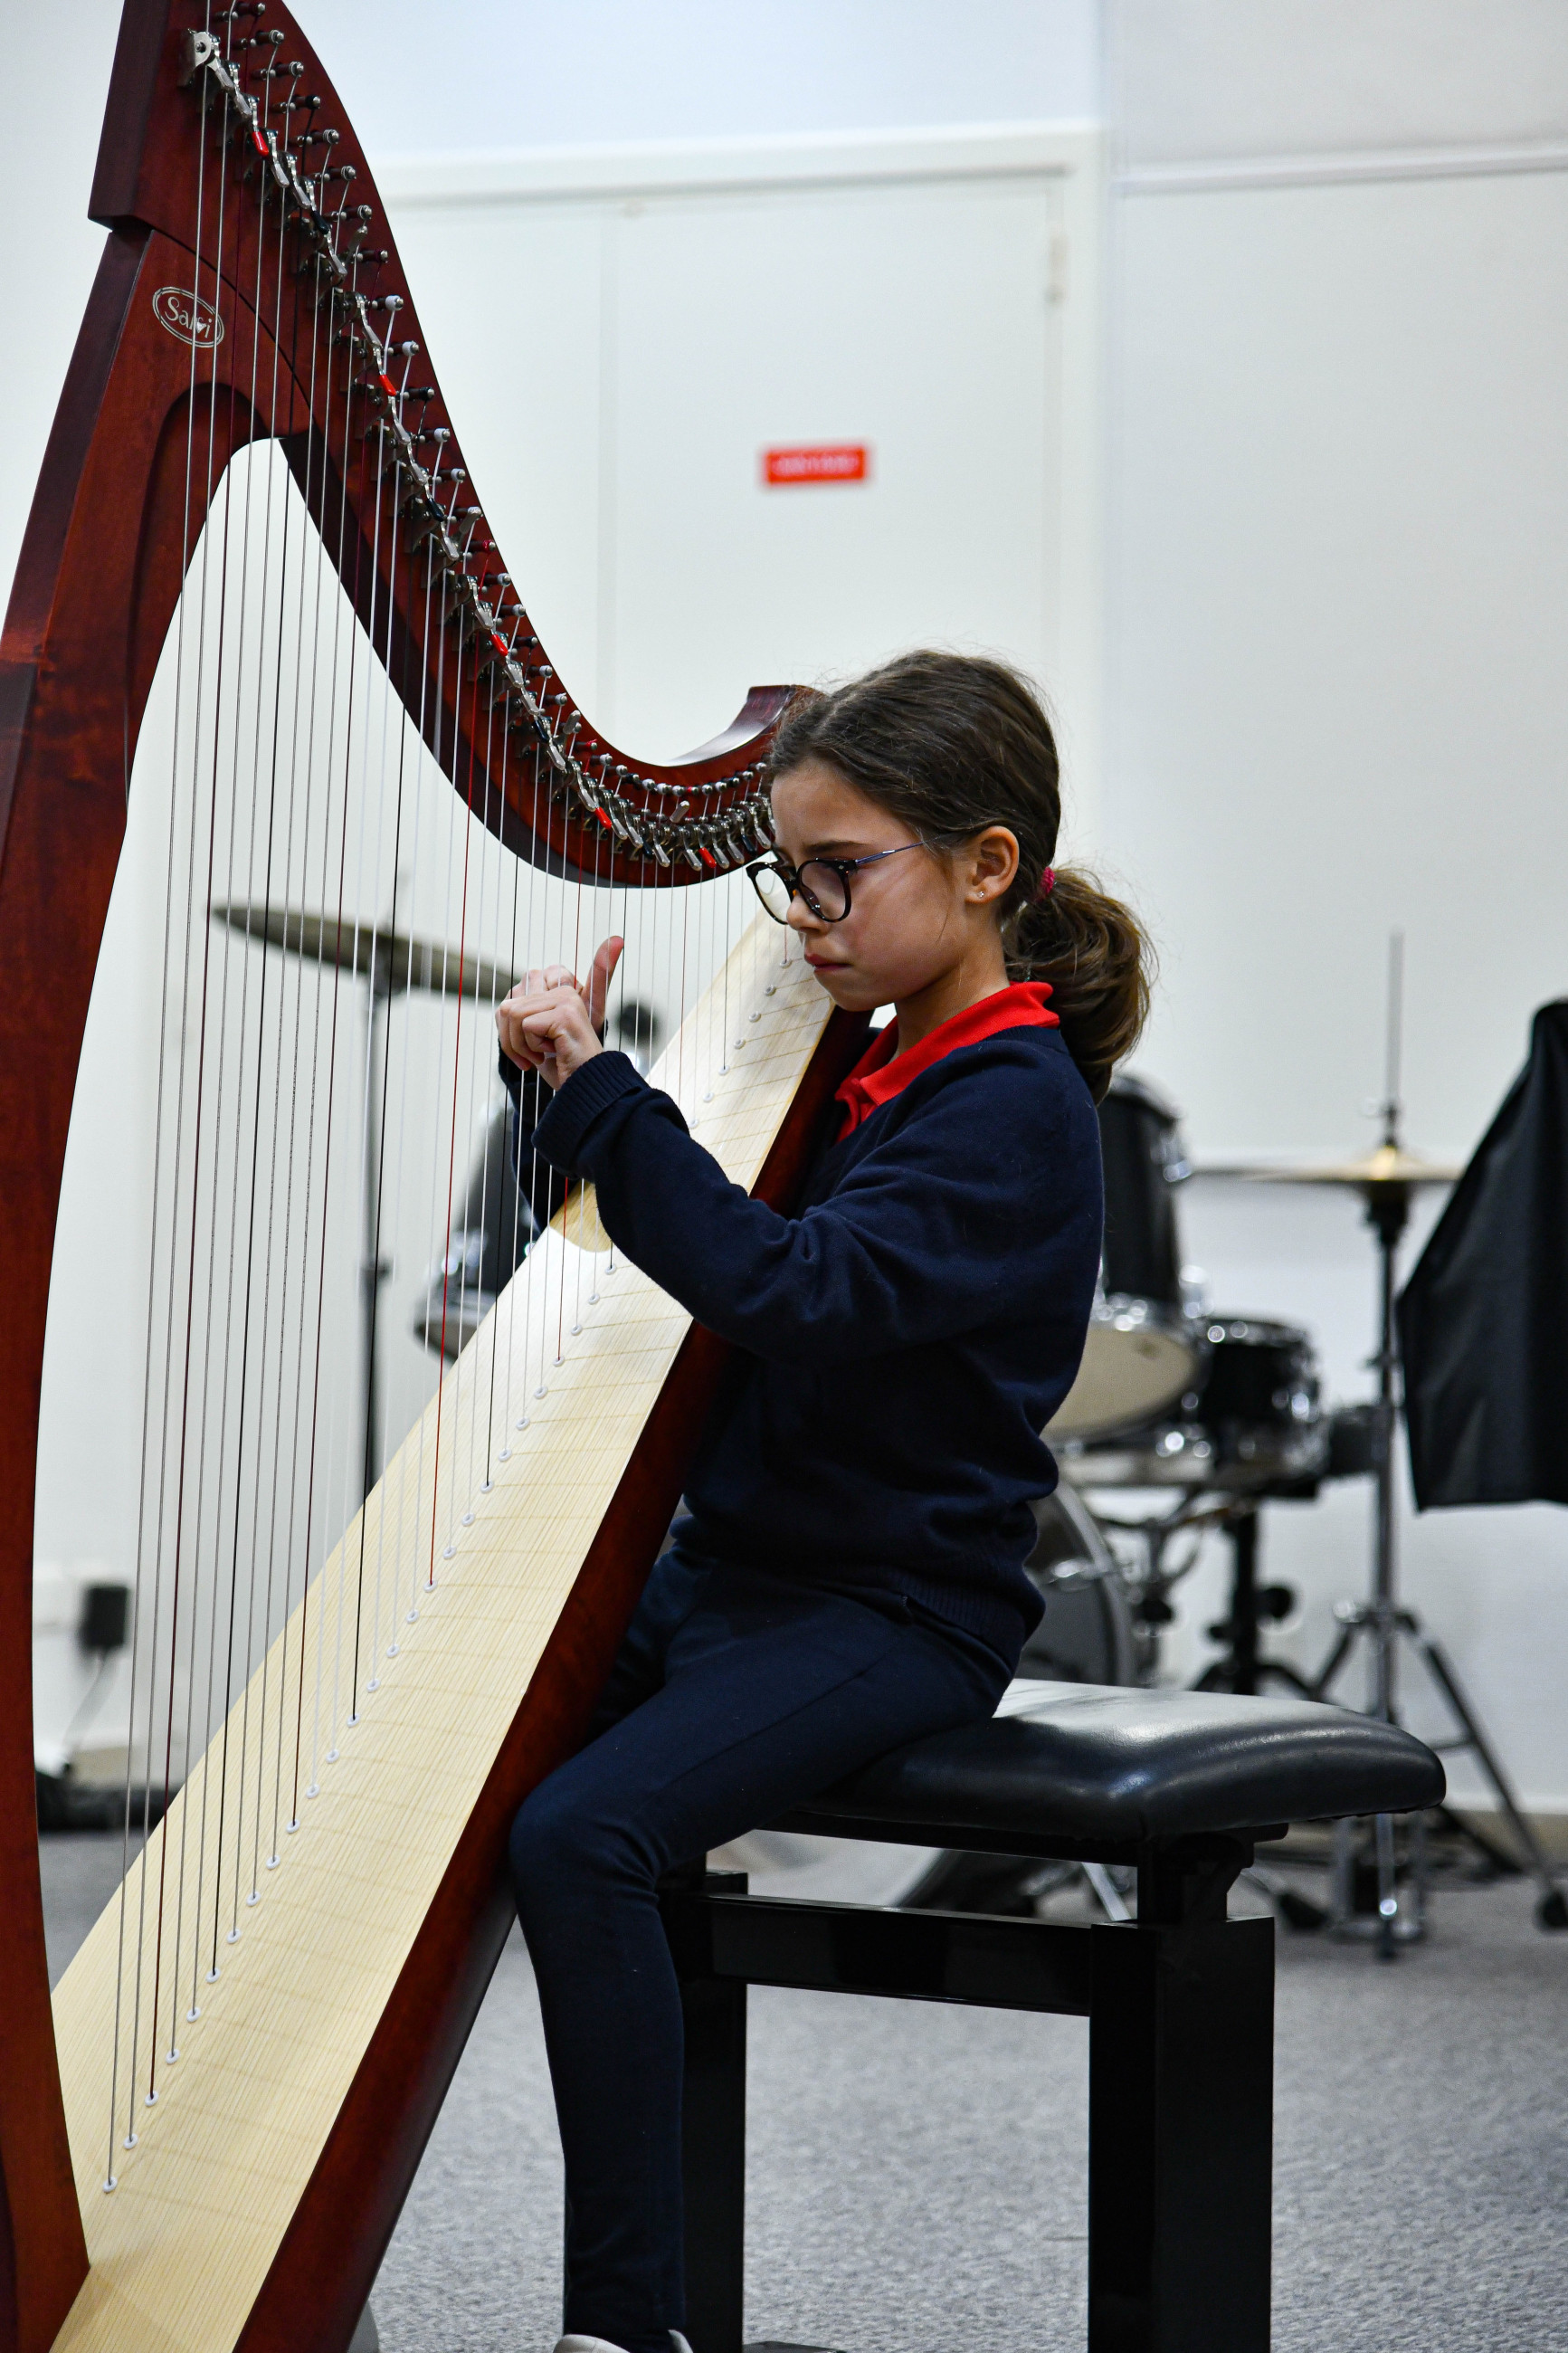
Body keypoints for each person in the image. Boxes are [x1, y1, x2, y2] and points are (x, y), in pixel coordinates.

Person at [494, 649, 1150, 2353]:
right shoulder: (866, 1059)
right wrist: (557, 1097)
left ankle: (620, 2325)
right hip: (745, 1576)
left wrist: (608, 1098)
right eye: (788, 873)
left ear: (987, 866)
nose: (805, 915)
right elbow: (654, 1236)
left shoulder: (1009, 1103)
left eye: (841, 871)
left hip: (896, 1609)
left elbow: (791, 1291)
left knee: (580, 1833)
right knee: (474, 1737)